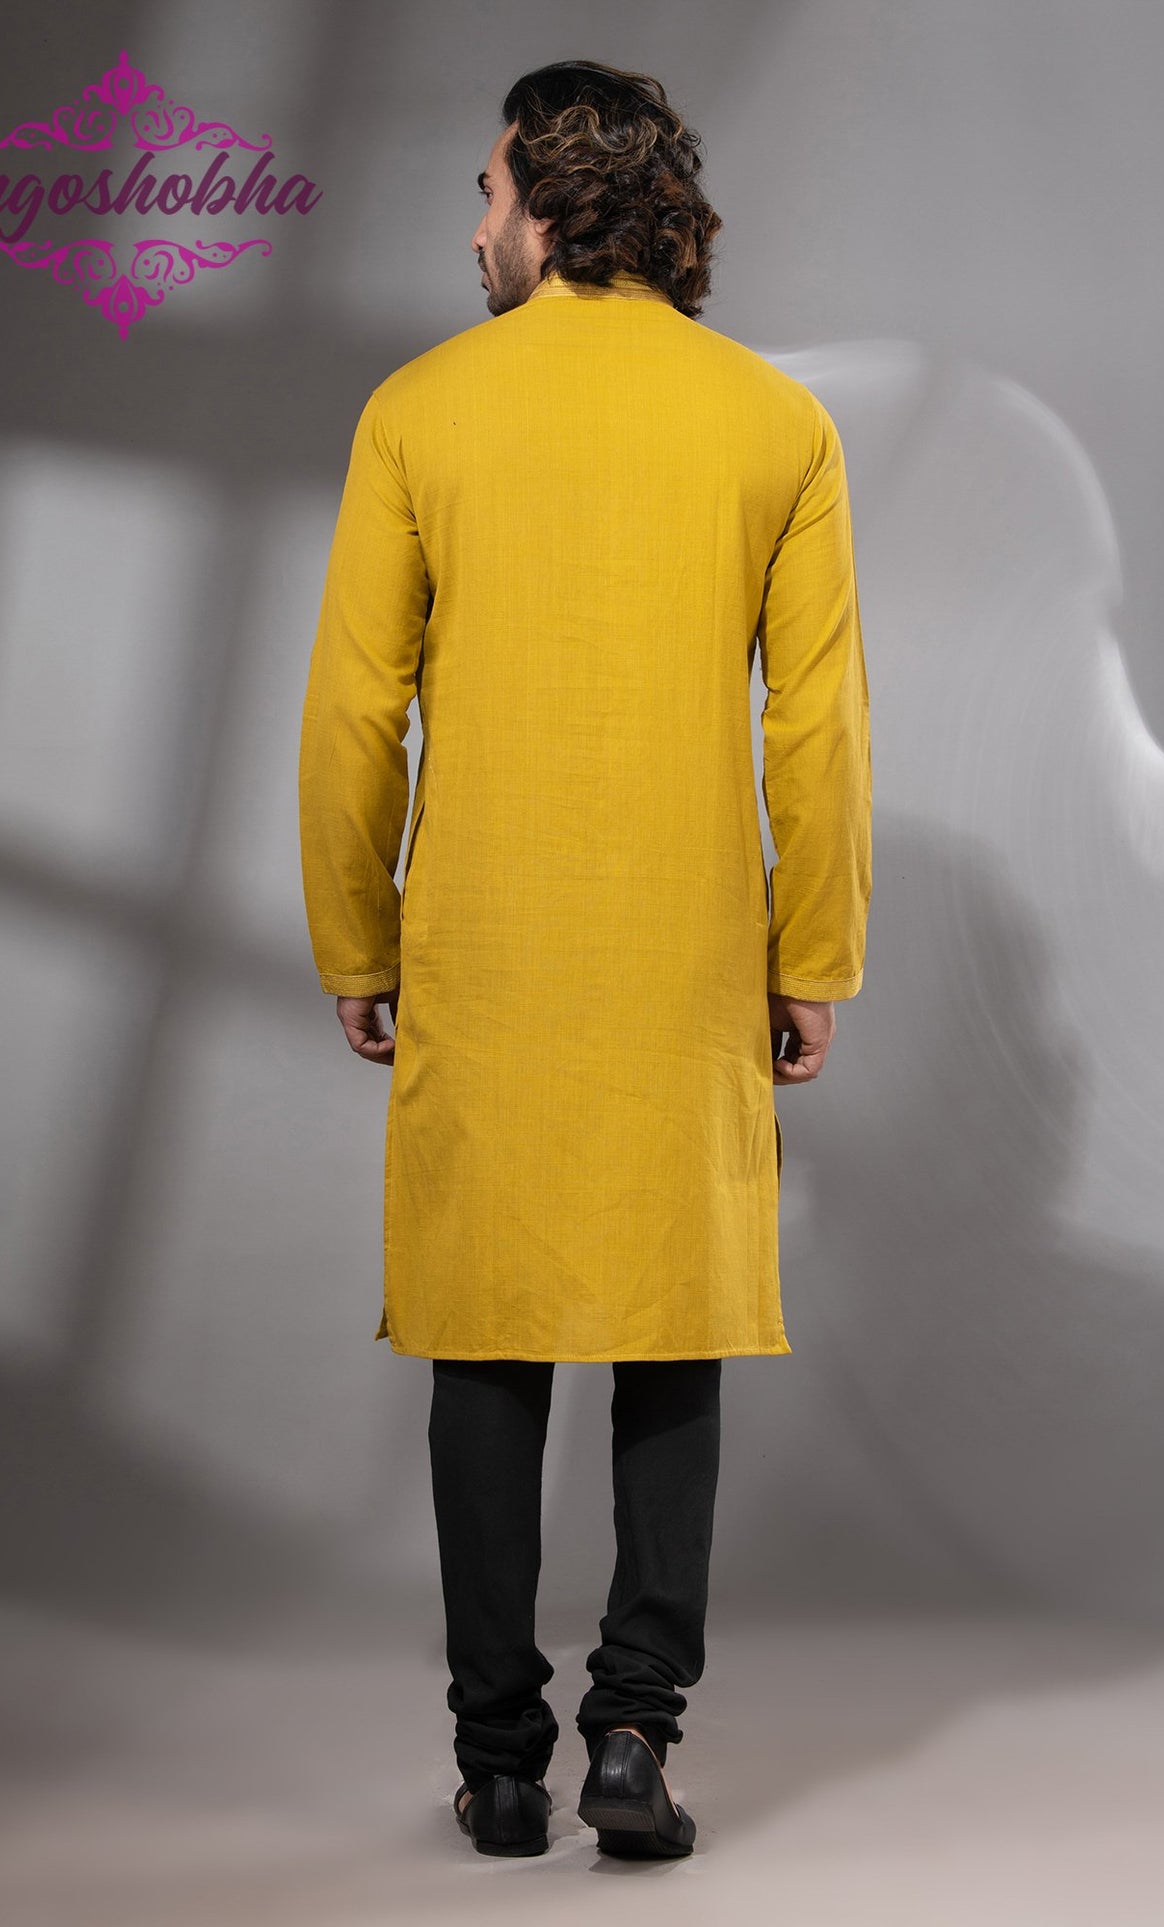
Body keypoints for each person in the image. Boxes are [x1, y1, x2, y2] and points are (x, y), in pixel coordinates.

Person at [298, 58, 872, 1860]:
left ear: (549, 205)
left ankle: (496, 1763)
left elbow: (356, 714)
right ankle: (633, 1734)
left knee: (486, 1336)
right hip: (687, 949)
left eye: (485, 193)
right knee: (670, 1330)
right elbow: (816, 730)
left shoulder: (419, 410)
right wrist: (812, 953)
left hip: (485, 946)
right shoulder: (774, 421)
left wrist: (354, 933)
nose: (472, 228)